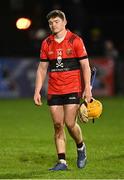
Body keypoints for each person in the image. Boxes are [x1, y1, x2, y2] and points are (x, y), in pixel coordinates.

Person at [34, 9, 92, 171]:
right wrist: (37, 90)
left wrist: (88, 88)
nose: (53, 25)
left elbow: (85, 66)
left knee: (70, 123)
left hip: (72, 87)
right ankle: (62, 162)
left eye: (56, 21)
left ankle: (81, 147)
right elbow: (41, 69)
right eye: (51, 23)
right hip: (54, 89)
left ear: (65, 22)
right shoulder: (46, 43)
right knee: (58, 125)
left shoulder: (75, 40)